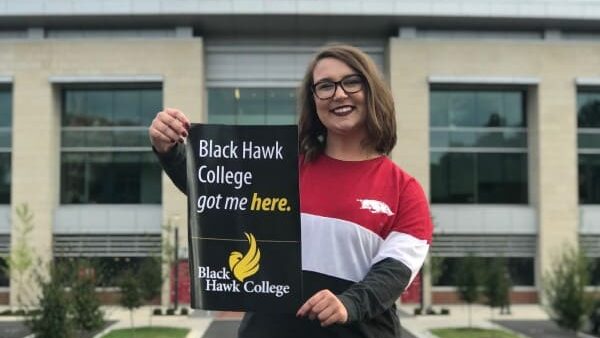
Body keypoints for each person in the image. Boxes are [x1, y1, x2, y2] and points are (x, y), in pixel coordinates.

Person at [149, 44, 433, 338]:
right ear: (313, 100)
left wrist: (349, 304)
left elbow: (394, 272)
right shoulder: (280, 169)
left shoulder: (405, 190)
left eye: (351, 81)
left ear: (371, 90)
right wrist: (169, 150)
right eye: (325, 86)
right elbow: (216, 190)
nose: (338, 94)